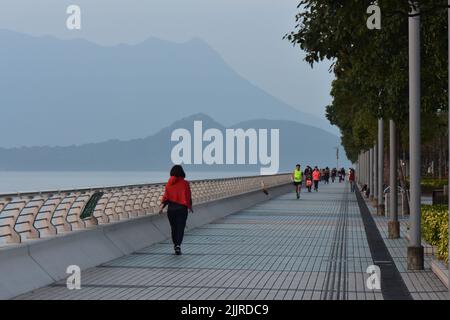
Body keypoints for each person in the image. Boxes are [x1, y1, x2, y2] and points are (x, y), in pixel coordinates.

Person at [159, 165, 193, 255]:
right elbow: (188, 196)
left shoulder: (169, 184)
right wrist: (190, 206)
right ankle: (178, 245)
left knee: (174, 228)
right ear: (182, 172)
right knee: (180, 228)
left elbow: (166, 197)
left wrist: (162, 208)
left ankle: (175, 245)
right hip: (182, 209)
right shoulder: (185, 183)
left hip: (171, 209)